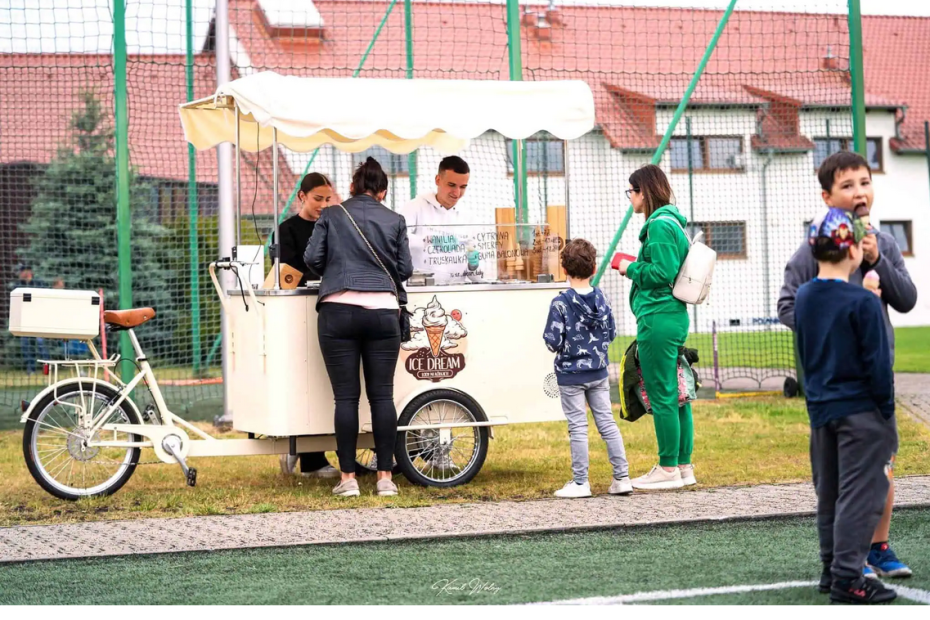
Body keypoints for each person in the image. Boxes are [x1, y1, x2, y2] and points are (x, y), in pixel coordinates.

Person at [777, 151, 916, 579]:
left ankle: (878, 547)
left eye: (864, 182)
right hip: (832, 383)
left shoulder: (884, 244)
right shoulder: (813, 248)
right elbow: (788, 304)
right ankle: (843, 556)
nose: (859, 192)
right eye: (847, 185)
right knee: (838, 475)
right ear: (828, 196)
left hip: (875, 380)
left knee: (881, 466)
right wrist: (832, 323)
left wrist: (875, 261)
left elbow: (907, 299)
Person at [795, 208, 898, 605]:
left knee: (832, 494)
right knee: (861, 495)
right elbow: (877, 365)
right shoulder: (863, 302)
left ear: (814, 248)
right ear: (854, 250)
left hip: (822, 411)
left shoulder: (804, 296)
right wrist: (886, 415)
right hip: (862, 414)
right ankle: (848, 578)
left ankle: (830, 568)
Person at [304, 157, 413, 497]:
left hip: (338, 311)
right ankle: (385, 478)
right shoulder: (395, 219)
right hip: (383, 313)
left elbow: (312, 259)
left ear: (351, 187)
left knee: (346, 399)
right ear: (383, 191)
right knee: (382, 396)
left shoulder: (332, 214)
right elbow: (405, 268)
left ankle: (348, 479)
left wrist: (338, 266)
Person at [615, 164, 695, 490]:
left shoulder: (659, 226)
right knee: (678, 395)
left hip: (658, 319)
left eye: (631, 191)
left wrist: (628, 267)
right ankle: (684, 466)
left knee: (663, 395)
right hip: (671, 316)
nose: (629, 198)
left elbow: (662, 272)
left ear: (643, 192)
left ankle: (667, 469)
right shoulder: (672, 223)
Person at [543, 238, 631, 498]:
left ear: (564, 270)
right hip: (599, 373)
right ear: (594, 269)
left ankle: (581, 483)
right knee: (606, 422)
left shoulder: (560, 303)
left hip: (570, 376)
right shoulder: (602, 298)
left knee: (578, 427)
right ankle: (622, 478)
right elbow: (612, 332)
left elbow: (552, 341)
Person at [272, 173, 340, 479]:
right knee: (306, 379)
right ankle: (310, 457)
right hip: (298, 311)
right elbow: (286, 272)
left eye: (328, 200)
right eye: (317, 199)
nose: (323, 206)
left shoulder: (337, 225)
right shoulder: (286, 230)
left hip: (331, 305)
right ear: (301, 197)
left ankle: (311, 452)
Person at [400, 156, 480, 282]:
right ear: (438, 180)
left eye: (463, 187)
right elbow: (398, 239)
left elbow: (477, 277)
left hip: (457, 292)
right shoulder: (415, 207)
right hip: (422, 290)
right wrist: (429, 240)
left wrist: (473, 265)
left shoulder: (468, 217)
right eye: (451, 185)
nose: (457, 192)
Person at [15, 264, 48, 374]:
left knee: (41, 344)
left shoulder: (38, 284)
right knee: (26, 346)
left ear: (28, 272)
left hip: (38, 319)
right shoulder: (19, 285)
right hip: (24, 320)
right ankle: (31, 369)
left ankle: (47, 369)